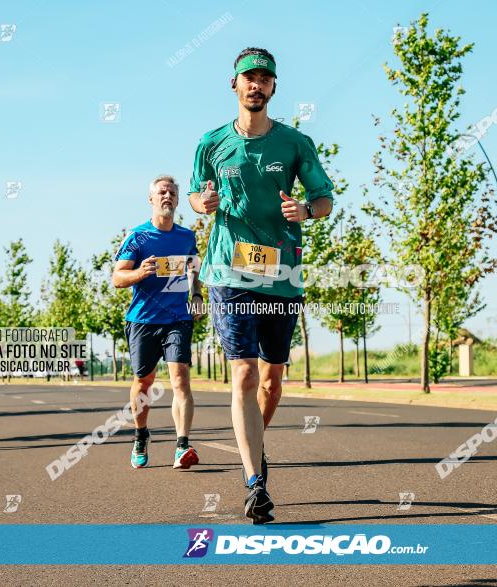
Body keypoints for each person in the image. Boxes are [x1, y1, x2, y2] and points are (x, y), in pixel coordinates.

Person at [188, 47, 334, 524]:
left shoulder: (295, 143)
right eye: (248, 78)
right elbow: (195, 191)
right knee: (245, 375)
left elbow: (324, 198)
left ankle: (256, 446)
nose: (256, 85)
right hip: (229, 273)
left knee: (271, 381)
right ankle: (255, 480)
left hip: (281, 276)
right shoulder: (211, 143)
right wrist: (202, 203)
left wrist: (306, 211)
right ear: (234, 85)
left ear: (274, 88)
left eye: (264, 79)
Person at [113, 175, 205, 470]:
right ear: (151, 199)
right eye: (162, 192)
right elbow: (117, 278)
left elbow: (194, 271)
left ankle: (182, 446)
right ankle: (141, 435)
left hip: (178, 318)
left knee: (180, 380)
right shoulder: (137, 237)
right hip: (143, 320)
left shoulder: (186, 237)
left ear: (178, 200)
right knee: (145, 381)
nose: (167, 196)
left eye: (172, 193)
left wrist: (197, 295)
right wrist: (140, 272)